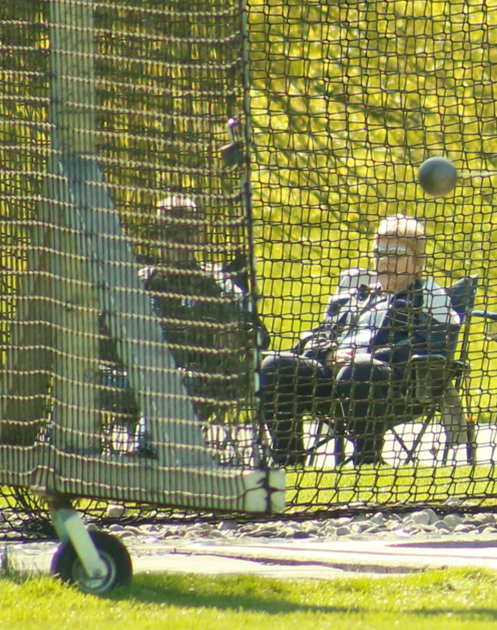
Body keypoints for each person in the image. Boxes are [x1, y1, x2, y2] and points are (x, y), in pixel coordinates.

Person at [258, 214, 457, 467]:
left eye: (395, 254)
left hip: (390, 383)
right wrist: (329, 354)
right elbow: (315, 336)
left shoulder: (429, 295)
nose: (384, 261)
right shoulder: (356, 296)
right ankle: (289, 460)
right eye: (379, 253)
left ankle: (368, 458)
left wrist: (369, 357)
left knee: (360, 367)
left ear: (418, 263)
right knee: (275, 366)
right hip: (332, 375)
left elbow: (430, 345)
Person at [99, 195, 257, 441]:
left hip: (200, 384)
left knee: (172, 383)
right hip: (135, 379)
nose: (178, 239)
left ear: (199, 236)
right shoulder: (135, 286)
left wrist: (237, 336)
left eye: (187, 231)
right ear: (155, 236)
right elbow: (101, 342)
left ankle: (148, 449)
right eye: (170, 230)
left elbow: (257, 336)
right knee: (84, 375)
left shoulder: (217, 286)